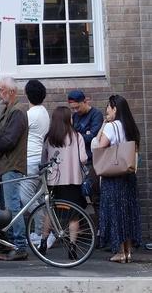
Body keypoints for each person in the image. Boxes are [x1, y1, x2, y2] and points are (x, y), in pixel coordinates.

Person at [94, 95, 142, 263]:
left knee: (115, 213)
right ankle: (128, 252)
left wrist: (103, 126)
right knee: (127, 213)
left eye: (108, 107)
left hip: (113, 177)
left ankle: (120, 252)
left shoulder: (111, 126)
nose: (106, 110)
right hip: (128, 176)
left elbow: (100, 146)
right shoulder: (131, 127)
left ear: (115, 109)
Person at [38, 106, 87, 258]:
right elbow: (84, 158)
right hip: (72, 181)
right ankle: (72, 247)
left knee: (50, 213)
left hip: (53, 181)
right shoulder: (76, 136)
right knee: (73, 216)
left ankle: (43, 243)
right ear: (68, 119)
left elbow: (43, 160)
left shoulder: (49, 138)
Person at [0, 77, 29, 261]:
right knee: (8, 207)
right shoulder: (8, 109)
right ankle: (10, 243)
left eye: (1, 90)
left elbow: (9, 140)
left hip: (12, 165)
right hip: (5, 164)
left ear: (12, 91)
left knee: (13, 206)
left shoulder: (17, 112)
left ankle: (20, 245)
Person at [68, 89, 103, 236]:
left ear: (85, 101)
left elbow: (93, 139)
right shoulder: (74, 116)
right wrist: (84, 135)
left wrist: (79, 136)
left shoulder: (96, 115)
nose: (75, 111)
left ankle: (102, 231)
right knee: (78, 198)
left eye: (77, 107)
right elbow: (75, 137)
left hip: (92, 162)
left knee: (96, 197)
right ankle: (80, 231)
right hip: (78, 163)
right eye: (73, 108)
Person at [19, 80, 49, 248]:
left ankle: (41, 231)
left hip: (30, 160)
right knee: (36, 197)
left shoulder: (30, 115)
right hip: (39, 159)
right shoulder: (44, 112)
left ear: (27, 94)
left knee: (26, 197)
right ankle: (41, 231)